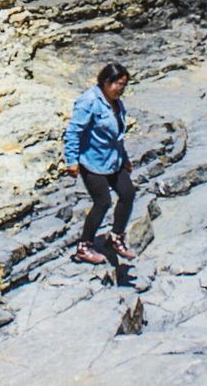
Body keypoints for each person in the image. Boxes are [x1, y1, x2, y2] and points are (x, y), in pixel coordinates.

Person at [63, 62, 137, 264]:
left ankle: (116, 238)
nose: (121, 89)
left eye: (124, 85)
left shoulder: (116, 103)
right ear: (106, 82)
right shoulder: (88, 101)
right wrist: (71, 160)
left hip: (114, 160)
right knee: (103, 202)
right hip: (92, 161)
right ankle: (84, 247)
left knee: (128, 194)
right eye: (118, 84)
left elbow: (117, 134)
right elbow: (73, 132)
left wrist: (126, 159)